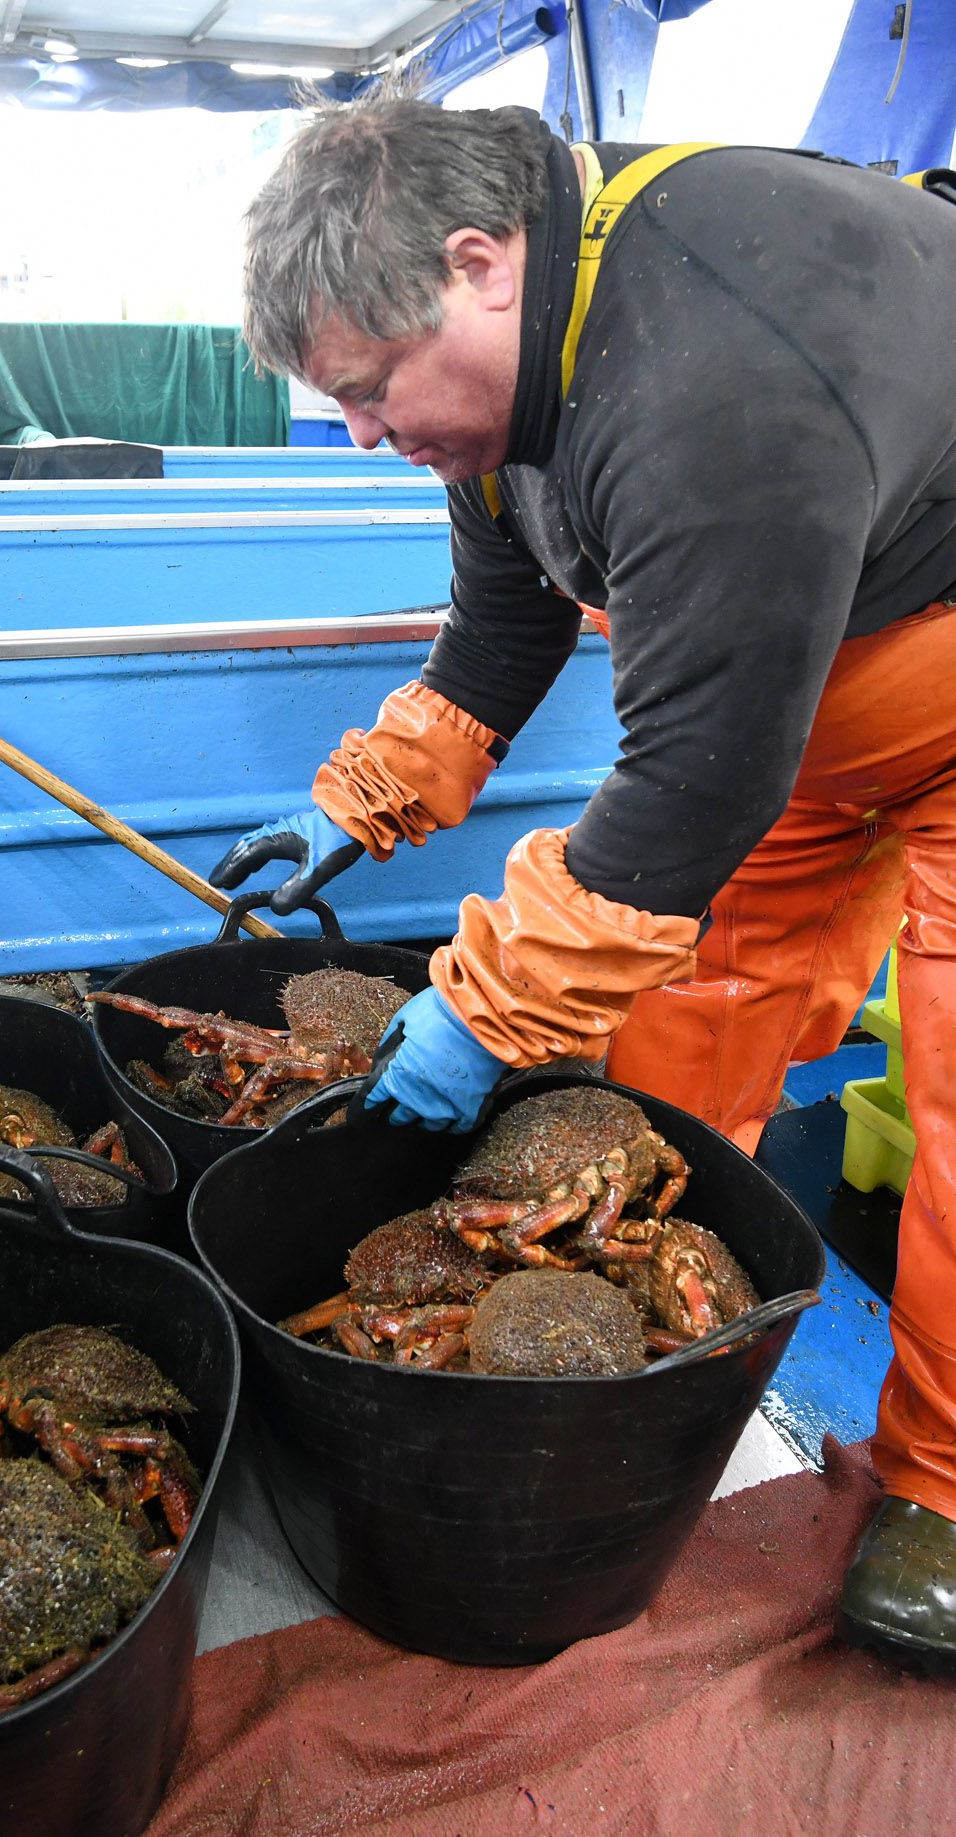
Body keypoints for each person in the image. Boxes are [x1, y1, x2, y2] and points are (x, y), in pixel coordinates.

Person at [210, 92, 956, 1670]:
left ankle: (945, 1489)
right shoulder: (508, 381)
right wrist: (359, 804)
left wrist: (477, 1009)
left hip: (871, 699)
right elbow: (501, 630)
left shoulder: (712, 376)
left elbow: (690, 780)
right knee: (675, 1061)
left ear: (479, 263)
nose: (358, 432)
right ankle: (662, 1374)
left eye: (364, 391)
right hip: (784, 715)